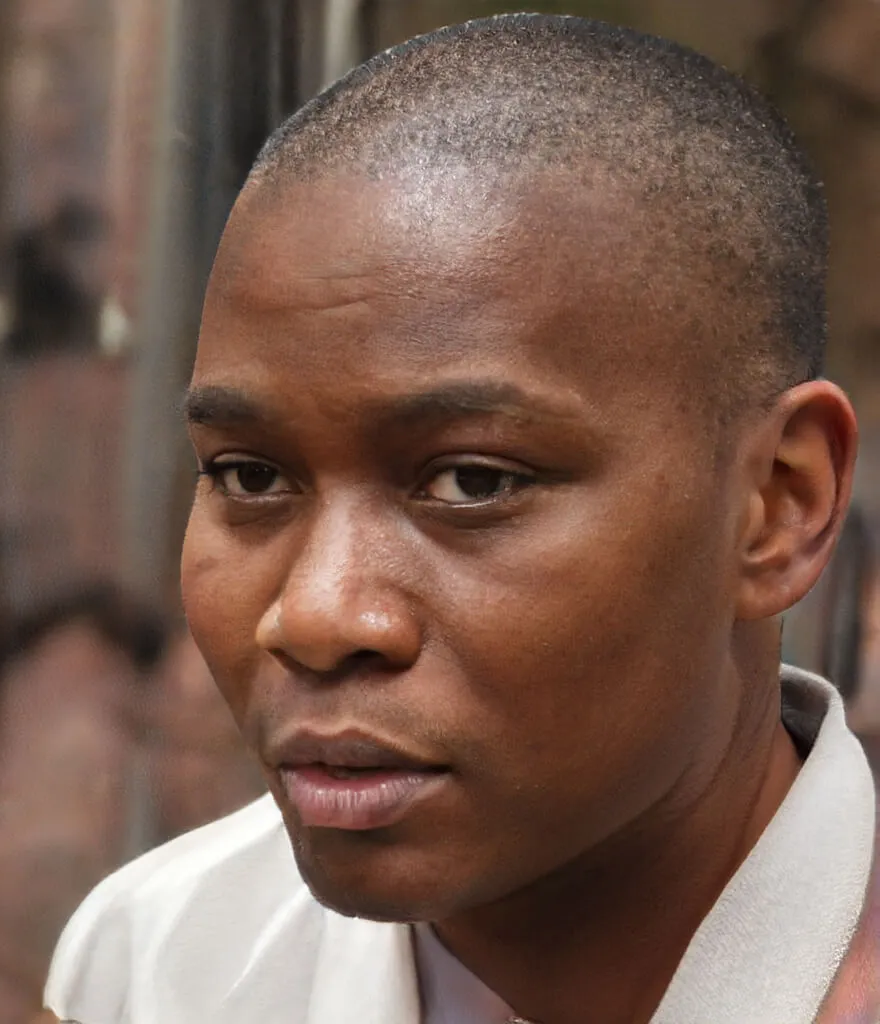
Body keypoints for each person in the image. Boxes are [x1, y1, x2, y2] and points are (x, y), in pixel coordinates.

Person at [44, 14, 878, 1024]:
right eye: (250, 476)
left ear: (779, 504)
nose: (314, 616)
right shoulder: (158, 963)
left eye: (473, 483)